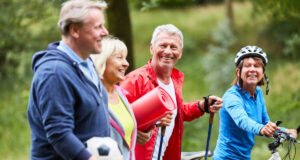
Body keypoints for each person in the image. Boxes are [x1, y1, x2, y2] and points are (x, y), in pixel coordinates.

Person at [120, 24, 223, 160]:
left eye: (173, 47)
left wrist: (202, 106)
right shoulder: (135, 80)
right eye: (163, 46)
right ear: (152, 48)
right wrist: (134, 131)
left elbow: (176, 113)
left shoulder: (174, 80)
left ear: (180, 53)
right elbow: (113, 117)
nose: (168, 51)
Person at [27, 0, 110, 159]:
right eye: (98, 27)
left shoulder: (86, 62)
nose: (105, 32)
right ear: (75, 30)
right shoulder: (55, 73)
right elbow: (59, 134)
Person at [213, 46, 298, 160]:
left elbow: (265, 122)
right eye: (247, 66)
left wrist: (285, 131)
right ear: (238, 72)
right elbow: (243, 121)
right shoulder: (231, 97)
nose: (252, 69)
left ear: (263, 72)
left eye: (257, 66)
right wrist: (261, 129)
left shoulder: (258, 93)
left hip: (245, 157)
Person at [91, 36, 152, 160]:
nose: (126, 63)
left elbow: (125, 137)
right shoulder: (90, 97)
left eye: (125, 58)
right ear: (102, 60)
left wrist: (142, 134)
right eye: (119, 58)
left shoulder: (122, 95)